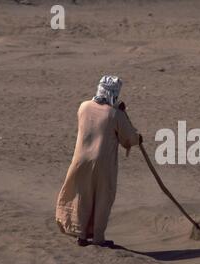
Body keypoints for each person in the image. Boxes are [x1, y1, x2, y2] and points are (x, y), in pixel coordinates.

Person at [55, 75, 143, 246]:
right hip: (103, 164)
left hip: (80, 160)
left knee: (83, 195)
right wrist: (137, 135)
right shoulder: (115, 114)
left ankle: (81, 234)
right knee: (103, 197)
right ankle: (98, 238)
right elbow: (130, 138)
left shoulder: (83, 106)